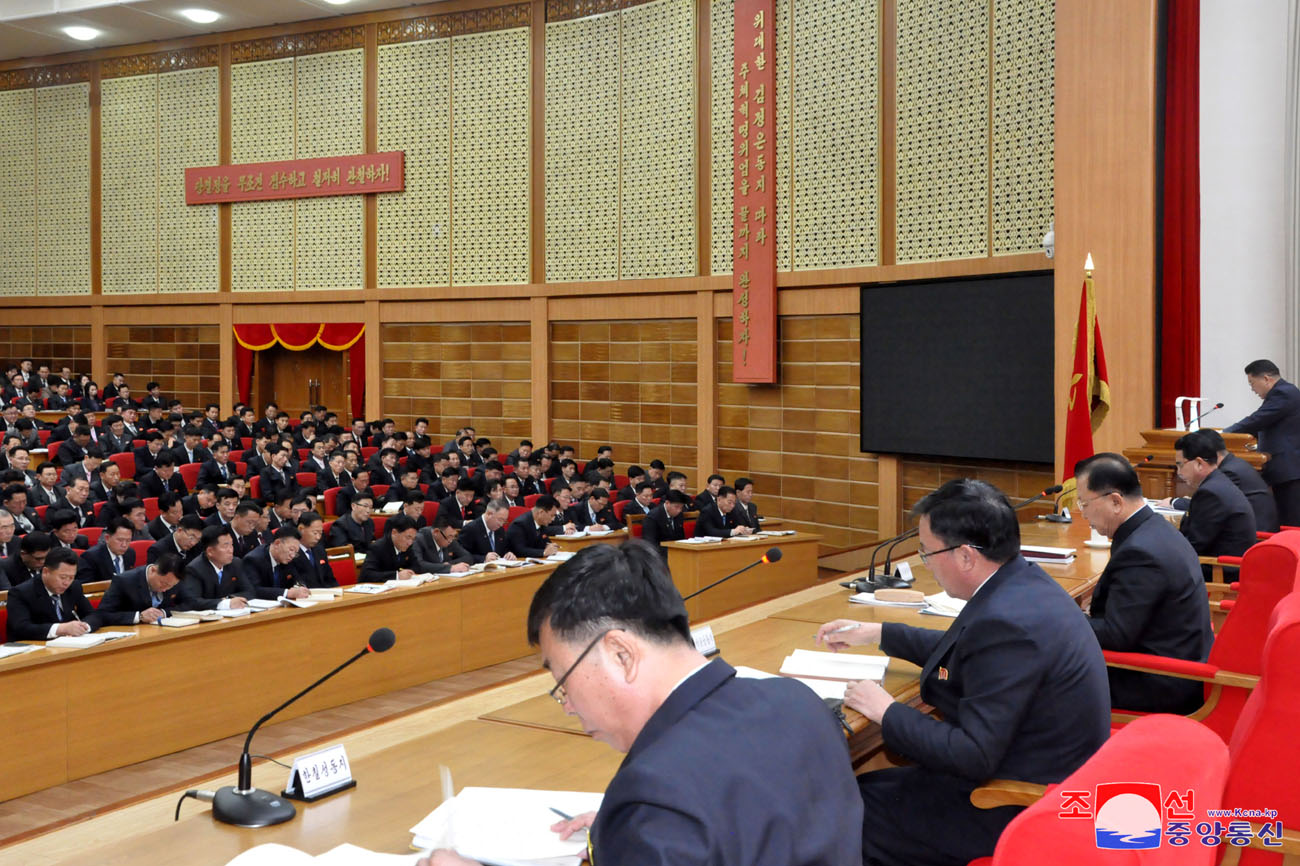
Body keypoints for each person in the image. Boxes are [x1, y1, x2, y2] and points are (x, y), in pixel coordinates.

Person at [417, 540, 863, 866]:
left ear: (621, 653)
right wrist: (628, 834)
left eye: (562, 680)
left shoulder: (655, 798)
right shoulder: (797, 700)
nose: (568, 706)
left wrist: (638, 829)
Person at [816, 479, 1109, 866]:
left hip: (1014, 805)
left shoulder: (1007, 625)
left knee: (844, 811)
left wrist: (885, 710)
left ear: (967, 556)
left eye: (927, 552)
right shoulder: (1022, 583)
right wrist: (880, 633)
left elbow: (972, 755)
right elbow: (966, 651)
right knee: (865, 785)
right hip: (1041, 773)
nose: (926, 562)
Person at [1074, 453, 1213, 714]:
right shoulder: (1155, 529)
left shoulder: (1141, 552)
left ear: (1116, 501)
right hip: (1174, 660)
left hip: (1157, 682)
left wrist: (1064, 615)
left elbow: (1115, 636)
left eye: (1084, 504)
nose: (1083, 514)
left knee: (1045, 672)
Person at [1224, 359, 1300, 525]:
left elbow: (1258, 419)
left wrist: (1225, 433)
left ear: (1266, 379)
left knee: (1291, 521)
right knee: (1285, 518)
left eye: (1252, 383)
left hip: (1289, 470)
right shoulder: (1282, 393)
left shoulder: (1284, 393)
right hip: (1285, 469)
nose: (1252, 389)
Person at [1171, 429, 1256, 576]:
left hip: (1220, 571)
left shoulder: (1211, 492)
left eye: (1181, 465)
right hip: (1220, 563)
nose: (1178, 472)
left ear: (1199, 463)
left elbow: (1195, 544)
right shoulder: (1217, 483)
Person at [6, 547, 101, 639]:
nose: (66, 582)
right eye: (63, 577)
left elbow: (93, 615)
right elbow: (21, 628)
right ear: (46, 572)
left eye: (71, 577)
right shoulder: (20, 593)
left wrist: (84, 626)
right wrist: (61, 629)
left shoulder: (74, 587)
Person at [96, 553, 189, 625]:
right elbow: (102, 614)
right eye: (163, 584)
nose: (165, 589)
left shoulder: (172, 580)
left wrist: (163, 613)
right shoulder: (124, 581)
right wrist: (139, 616)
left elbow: (190, 603)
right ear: (153, 570)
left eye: (170, 586)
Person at [178, 526, 255, 610]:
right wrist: (226, 603)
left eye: (231, 544)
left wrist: (229, 600)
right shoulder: (194, 570)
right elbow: (193, 602)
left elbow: (250, 592)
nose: (231, 550)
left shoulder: (235, 563)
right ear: (210, 551)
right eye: (226, 546)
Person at [242, 525, 312, 600]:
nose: (292, 555)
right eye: (291, 550)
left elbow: (296, 578)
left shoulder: (288, 559)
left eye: (296, 552)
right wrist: (287, 593)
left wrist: (300, 587)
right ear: (277, 543)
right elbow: (254, 590)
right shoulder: (253, 559)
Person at [359, 513, 420, 582]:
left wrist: (409, 572)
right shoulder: (378, 548)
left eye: (413, 538)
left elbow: (416, 566)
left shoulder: (408, 546)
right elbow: (367, 575)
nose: (410, 542)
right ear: (394, 533)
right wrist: (397, 575)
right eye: (408, 537)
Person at [75, 519, 136, 584]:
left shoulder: (130, 553)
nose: (124, 545)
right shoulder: (91, 557)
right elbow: (85, 587)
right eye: (120, 540)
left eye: (128, 540)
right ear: (107, 538)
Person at [459, 500, 515, 564]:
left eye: (504, 521)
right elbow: (461, 556)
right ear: (489, 514)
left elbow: (504, 549)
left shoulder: (500, 530)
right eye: (500, 520)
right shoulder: (470, 529)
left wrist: (509, 554)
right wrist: (484, 558)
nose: (501, 524)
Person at [640, 489, 691, 554]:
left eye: (681, 507)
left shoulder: (679, 515)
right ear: (667, 503)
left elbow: (680, 538)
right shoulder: (653, 517)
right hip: (659, 554)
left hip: (676, 552)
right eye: (676, 507)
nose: (679, 510)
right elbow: (650, 544)